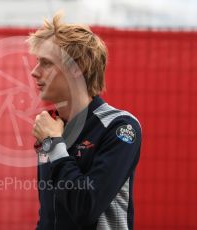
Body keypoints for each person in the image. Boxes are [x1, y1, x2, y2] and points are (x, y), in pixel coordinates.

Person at [29, 13, 142, 230]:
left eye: (46, 63)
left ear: (76, 68)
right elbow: (50, 214)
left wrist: (54, 143)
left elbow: (85, 208)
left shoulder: (120, 127)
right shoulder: (50, 126)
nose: (34, 72)